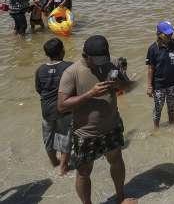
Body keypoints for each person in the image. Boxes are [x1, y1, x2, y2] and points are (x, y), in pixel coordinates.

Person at [58, 35, 130, 204]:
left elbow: (127, 86)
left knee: (117, 160)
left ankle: (120, 197)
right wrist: (90, 94)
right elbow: (61, 106)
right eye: (97, 60)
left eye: (104, 59)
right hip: (85, 133)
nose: (101, 63)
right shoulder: (72, 72)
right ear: (86, 55)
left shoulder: (111, 64)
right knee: (83, 171)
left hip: (112, 126)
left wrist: (118, 85)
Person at [35, 38, 73, 175]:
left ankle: (54, 162)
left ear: (47, 54)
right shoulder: (69, 67)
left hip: (47, 110)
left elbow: (39, 89)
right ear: (62, 51)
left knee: (48, 137)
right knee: (65, 137)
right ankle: (63, 167)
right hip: (65, 109)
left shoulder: (40, 70)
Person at [145, 21, 174, 128]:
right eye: (167, 34)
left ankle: (171, 124)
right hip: (159, 85)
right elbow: (150, 68)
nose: (170, 35)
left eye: (171, 33)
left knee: (172, 106)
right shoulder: (153, 49)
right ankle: (156, 128)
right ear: (159, 34)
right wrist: (149, 86)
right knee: (158, 107)